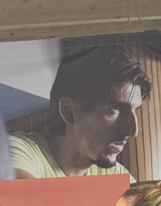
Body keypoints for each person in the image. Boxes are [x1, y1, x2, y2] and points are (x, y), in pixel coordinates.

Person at [9, 46, 151, 180]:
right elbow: (23, 202)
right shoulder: (20, 150)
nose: (133, 130)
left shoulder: (114, 174)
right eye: (117, 108)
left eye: (134, 110)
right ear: (69, 111)